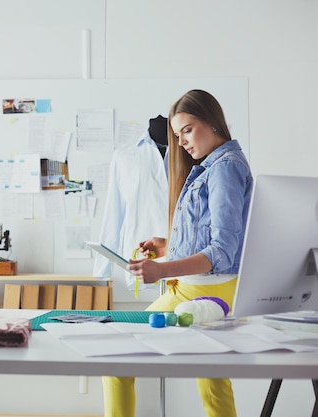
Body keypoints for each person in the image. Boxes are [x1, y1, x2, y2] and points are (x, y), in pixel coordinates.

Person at [101, 89, 253, 417]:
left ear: (212, 122)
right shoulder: (210, 166)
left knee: (117, 362)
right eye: (177, 134)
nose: (181, 141)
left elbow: (223, 251)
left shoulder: (225, 167)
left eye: (186, 130)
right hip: (197, 289)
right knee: (211, 382)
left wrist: (161, 270)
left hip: (205, 292)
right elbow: (209, 238)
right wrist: (166, 245)